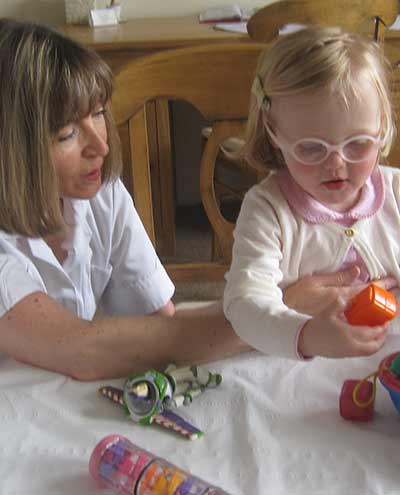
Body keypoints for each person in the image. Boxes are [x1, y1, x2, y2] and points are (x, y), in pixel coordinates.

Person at [0, 19, 252, 381]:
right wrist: (269, 320)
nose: (101, 145)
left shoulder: (100, 195)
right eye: (68, 133)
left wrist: (268, 308)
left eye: (98, 113)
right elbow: (82, 350)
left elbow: (160, 323)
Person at [223, 26, 400, 360]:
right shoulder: (268, 210)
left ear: (382, 129)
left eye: (359, 144)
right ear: (274, 133)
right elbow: (244, 304)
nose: (336, 164)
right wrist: (305, 337)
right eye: (311, 149)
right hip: (293, 370)